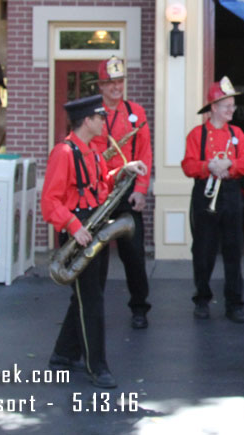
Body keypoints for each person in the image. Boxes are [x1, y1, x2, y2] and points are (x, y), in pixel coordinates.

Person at [42, 94, 147, 389]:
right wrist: (74, 227)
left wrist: (123, 171)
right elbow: (50, 201)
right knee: (92, 300)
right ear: (87, 120)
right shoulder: (63, 152)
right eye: (100, 117)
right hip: (79, 230)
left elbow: (101, 182)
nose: (104, 122)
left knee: (87, 295)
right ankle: (96, 366)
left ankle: (63, 355)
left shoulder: (92, 151)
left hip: (93, 226)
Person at [181, 77, 244, 323]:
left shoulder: (237, 133)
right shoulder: (196, 135)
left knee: (233, 250)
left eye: (232, 105)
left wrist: (229, 164)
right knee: (203, 251)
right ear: (213, 107)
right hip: (205, 194)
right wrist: (209, 166)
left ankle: (235, 303)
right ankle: (201, 298)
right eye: (227, 106)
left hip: (230, 193)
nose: (231, 110)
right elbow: (188, 165)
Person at [88, 57, 153, 330]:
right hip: (100, 193)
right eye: (111, 83)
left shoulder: (136, 112)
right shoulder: (91, 114)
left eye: (120, 81)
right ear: (101, 86)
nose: (117, 87)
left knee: (134, 255)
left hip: (127, 192)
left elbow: (145, 154)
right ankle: (92, 308)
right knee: (95, 258)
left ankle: (139, 307)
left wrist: (140, 190)